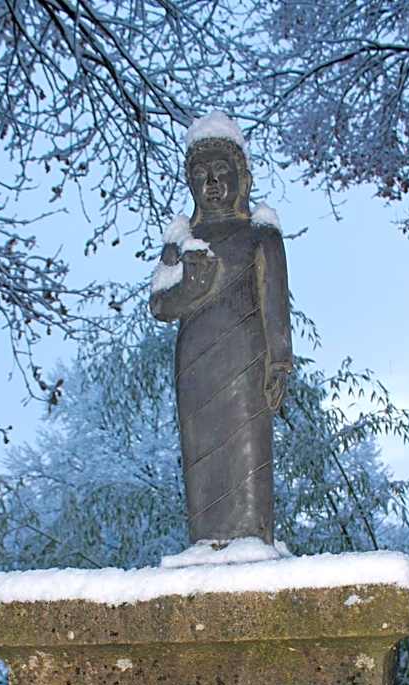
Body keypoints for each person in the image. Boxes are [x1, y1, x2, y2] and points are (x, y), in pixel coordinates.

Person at [150, 113, 292, 545]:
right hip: (196, 366)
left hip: (246, 361)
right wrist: (190, 287)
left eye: (220, 172)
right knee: (200, 455)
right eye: (200, 175)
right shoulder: (182, 239)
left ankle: (251, 538)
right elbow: (160, 305)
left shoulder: (260, 235)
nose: (210, 184)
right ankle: (206, 542)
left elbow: (275, 302)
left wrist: (279, 362)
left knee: (247, 452)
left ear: (240, 176)